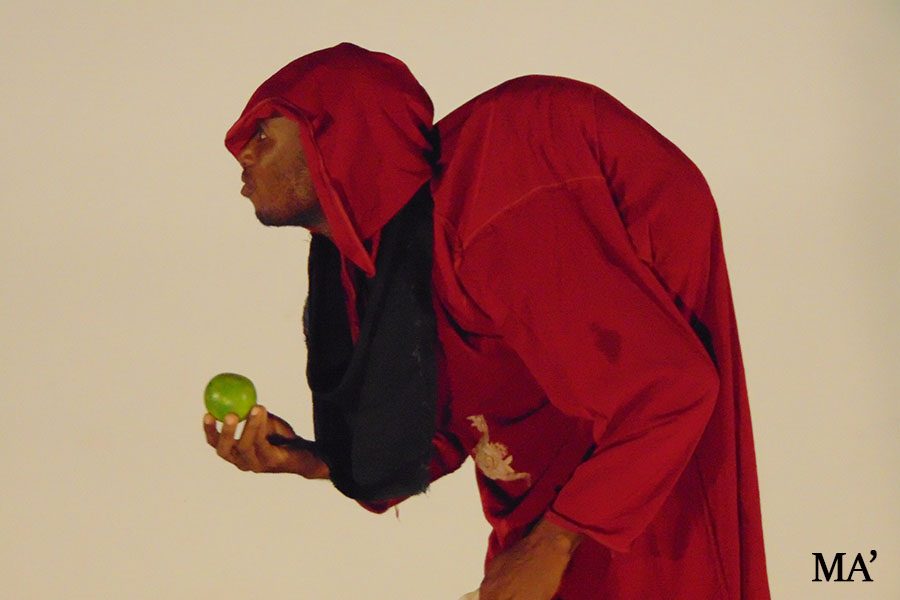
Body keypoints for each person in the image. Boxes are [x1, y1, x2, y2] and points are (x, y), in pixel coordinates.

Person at [204, 42, 771, 599]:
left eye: (264, 134)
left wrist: (552, 545)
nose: (242, 153)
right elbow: (463, 412)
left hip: (635, 516)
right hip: (547, 527)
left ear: (338, 141)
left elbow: (670, 389)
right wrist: (314, 459)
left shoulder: (493, 205)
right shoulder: (383, 256)